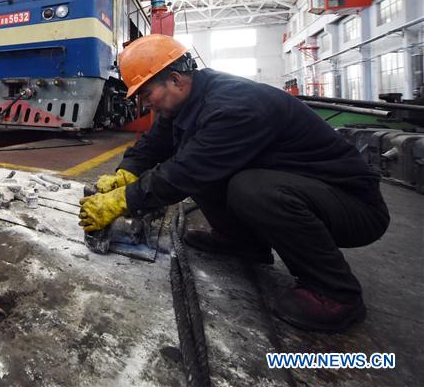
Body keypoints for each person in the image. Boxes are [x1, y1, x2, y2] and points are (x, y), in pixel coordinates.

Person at [79, 34, 389, 333]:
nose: (145, 105)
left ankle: (335, 293)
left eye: (146, 94)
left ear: (175, 79)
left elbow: (185, 172)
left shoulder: (233, 106)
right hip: (304, 189)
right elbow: (153, 144)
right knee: (213, 172)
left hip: (352, 206)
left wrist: (123, 200)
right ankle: (241, 242)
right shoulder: (186, 100)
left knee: (249, 188)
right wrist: (124, 173)